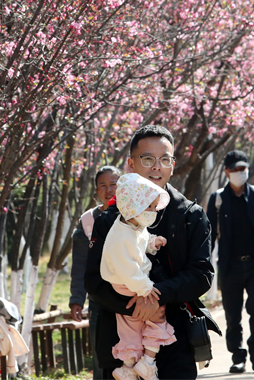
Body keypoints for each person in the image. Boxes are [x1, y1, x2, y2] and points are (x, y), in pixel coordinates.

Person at [85, 125, 216, 380]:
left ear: (172, 165)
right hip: (122, 346)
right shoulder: (110, 220)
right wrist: (135, 307)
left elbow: (202, 275)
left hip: (175, 342)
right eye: (148, 159)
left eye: (164, 159)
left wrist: (157, 297)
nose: (157, 167)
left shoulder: (190, 215)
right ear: (131, 164)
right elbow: (93, 281)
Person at [206, 150, 254, 374]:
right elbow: (209, 235)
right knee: (232, 315)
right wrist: (205, 263)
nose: (240, 173)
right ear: (226, 171)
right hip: (230, 266)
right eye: (235, 169)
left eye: (243, 168)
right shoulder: (218, 199)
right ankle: (238, 356)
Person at [101, 173, 177, 380]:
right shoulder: (121, 237)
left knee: (130, 325)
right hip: (131, 283)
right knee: (156, 313)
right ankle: (148, 362)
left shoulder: (131, 225)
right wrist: (146, 289)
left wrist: (152, 242)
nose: (153, 211)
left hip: (125, 284)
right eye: (149, 207)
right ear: (133, 206)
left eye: (154, 206)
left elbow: (141, 241)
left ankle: (127, 366)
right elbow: (128, 269)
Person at [70, 165, 120, 380]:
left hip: (132, 297)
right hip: (99, 299)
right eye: (103, 185)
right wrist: (76, 299)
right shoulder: (88, 221)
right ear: (96, 191)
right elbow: (80, 264)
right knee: (102, 356)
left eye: (113, 184)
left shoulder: (134, 214)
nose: (109, 190)